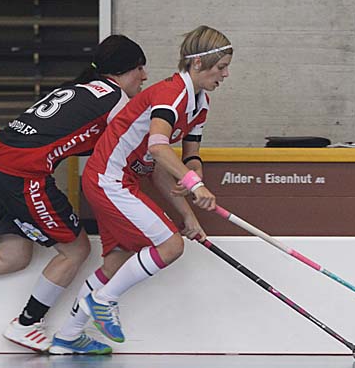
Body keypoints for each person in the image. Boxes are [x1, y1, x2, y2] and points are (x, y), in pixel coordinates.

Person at [0, 35, 148, 354]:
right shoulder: (116, 100)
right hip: (23, 175)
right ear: (122, 70)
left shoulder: (80, 88)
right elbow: (124, 154)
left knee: (14, 256)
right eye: (140, 68)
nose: (144, 76)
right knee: (76, 250)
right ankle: (28, 323)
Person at [51, 25, 232, 347]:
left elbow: (176, 164)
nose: (226, 74)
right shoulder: (171, 94)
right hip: (108, 180)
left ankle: (67, 336)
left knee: (117, 262)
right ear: (197, 63)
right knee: (171, 246)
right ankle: (104, 300)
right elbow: (158, 148)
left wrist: (189, 210)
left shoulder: (200, 103)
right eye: (221, 67)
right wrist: (193, 185)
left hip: (122, 182)